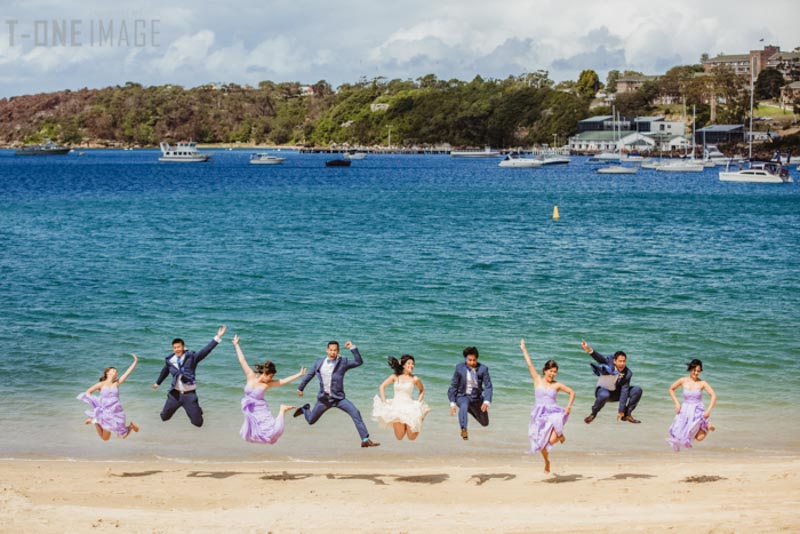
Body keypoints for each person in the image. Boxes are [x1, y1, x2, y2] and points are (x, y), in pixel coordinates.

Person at [294, 340, 380, 448]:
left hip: (339, 399)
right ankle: (305, 409)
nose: (333, 352)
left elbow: (359, 362)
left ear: (338, 351)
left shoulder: (342, 362)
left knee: (355, 413)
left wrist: (352, 348)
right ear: (327, 350)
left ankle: (365, 439)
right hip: (324, 400)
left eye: (335, 350)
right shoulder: (319, 363)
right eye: (331, 350)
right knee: (311, 421)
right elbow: (309, 375)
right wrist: (300, 388)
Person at [233, 334, 306, 444]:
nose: (271, 379)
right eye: (270, 376)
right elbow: (242, 360)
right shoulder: (250, 375)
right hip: (251, 412)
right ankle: (281, 411)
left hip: (261, 410)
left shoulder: (268, 384)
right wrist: (236, 345)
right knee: (252, 435)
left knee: (273, 433)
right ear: (265, 373)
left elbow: (283, 381)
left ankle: (282, 410)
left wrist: (298, 374)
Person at [152, 325, 226, 427]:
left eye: (178, 347)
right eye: (174, 348)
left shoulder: (191, 357)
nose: (176, 349)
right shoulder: (170, 360)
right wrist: (157, 383)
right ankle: (170, 409)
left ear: (183, 347)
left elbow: (205, 351)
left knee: (198, 423)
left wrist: (217, 337)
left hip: (189, 395)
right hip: (175, 395)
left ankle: (198, 411)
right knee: (164, 417)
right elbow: (165, 371)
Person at [520, 339, 575, 473]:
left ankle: (559, 434)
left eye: (555, 371)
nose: (552, 374)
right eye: (550, 371)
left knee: (551, 439)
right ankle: (547, 462)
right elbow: (529, 365)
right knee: (541, 445)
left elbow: (572, 392)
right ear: (545, 370)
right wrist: (524, 349)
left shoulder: (557, 385)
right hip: (539, 415)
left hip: (554, 414)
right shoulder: (537, 379)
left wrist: (568, 407)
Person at [77, 354, 140, 441]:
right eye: (113, 370)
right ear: (107, 372)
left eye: (116, 371)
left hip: (117, 411)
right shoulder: (100, 384)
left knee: (122, 435)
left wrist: (135, 361)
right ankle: (95, 421)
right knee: (105, 438)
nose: (116, 372)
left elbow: (127, 373)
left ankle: (131, 426)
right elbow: (88, 392)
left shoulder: (116, 383)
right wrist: (97, 402)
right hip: (106, 413)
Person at [581, 339, 643, 424]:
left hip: (615, 394)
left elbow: (624, 391)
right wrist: (588, 349)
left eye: (624, 361)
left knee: (637, 390)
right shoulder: (609, 363)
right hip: (602, 392)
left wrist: (621, 410)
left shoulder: (627, 373)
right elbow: (599, 358)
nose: (622, 364)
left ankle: (627, 414)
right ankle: (593, 414)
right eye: (620, 361)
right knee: (604, 394)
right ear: (614, 361)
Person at [372, 355, 431, 440]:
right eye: (409, 363)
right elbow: (382, 387)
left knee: (411, 437)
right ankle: (406, 423)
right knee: (399, 437)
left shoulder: (415, 378)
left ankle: (420, 418)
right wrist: (384, 401)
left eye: (413, 364)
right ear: (403, 365)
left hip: (410, 407)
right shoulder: (395, 376)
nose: (411, 365)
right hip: (396, 408)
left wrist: (418, 402)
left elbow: (422, 390)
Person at [666, 359, 717, 451]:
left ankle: (707, 425)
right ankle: (706, 425)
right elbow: (671, 389)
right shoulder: (683, 380)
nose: (696, 373)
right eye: (695, 370)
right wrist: (677, 403)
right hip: (685, 410)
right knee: (679, 433)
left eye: (699, 371)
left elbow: (713, 395)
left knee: (699, 438)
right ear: (690, 369)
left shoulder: (702, 383)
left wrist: (708, 410)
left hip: (697, 410)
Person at [447, 346, 493, 440]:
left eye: (474, 360)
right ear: (465, 359)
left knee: (485, 423)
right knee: (464, 404)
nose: (472, 363)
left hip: (476, 398)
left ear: (477, 359)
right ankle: (464, 429)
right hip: (462, 396)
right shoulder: (459, 368)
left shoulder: (483, 369)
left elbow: (488, 386)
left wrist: (486, 401)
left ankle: (469, 409)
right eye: (469, 360)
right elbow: (453, 385)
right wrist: (452, 403)